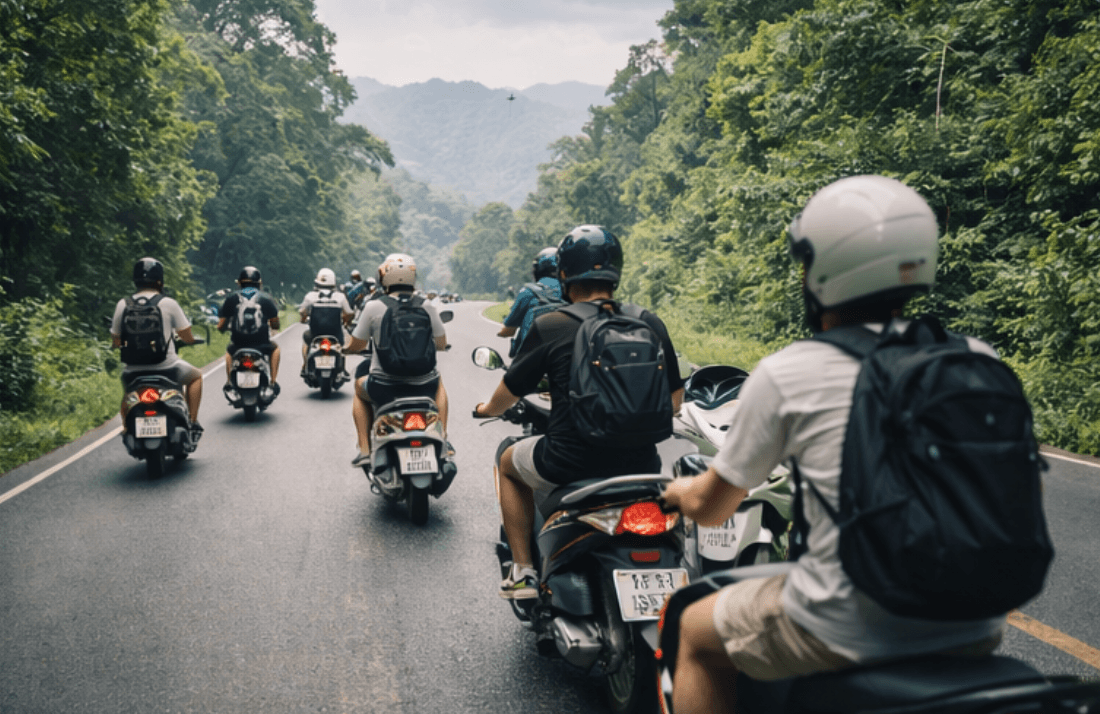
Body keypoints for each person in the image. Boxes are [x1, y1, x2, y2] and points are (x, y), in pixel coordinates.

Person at [658, 176, 1007, 714]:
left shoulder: (791, 371)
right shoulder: (977, 360)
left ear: (824, 269)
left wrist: (681, 493)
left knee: (692, 633)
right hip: (976, 621)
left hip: (847, 622)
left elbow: (713, 506)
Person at [473, 225, 685, 599]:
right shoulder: (648, 321)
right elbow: (675, 402)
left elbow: (509, 392)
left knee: (506, 460)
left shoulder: (552, 324)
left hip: (568, 462)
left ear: (564, 274)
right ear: (616, 271)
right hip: (641, 465)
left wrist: (485, 409)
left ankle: (522, 570)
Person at [344, 253, 450, 467]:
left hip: (384, 387)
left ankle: (364, 450)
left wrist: (346, 349)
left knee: (358, 389)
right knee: (439, 383)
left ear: (384, 277)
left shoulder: (374, 307)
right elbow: (441, 343)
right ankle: (443, 438)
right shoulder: (426, 306)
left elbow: (357, 345)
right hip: (424, 386)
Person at [110, 257, 204, 438]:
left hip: (133, 371)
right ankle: (192, 422)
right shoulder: (168, 303)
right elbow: (186, 336)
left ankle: (127, 428)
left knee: (128, 393)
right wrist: (191, 341)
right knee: (196, 377)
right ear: (160, 280)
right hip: (168, 367)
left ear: (135, 279)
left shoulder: (123, 305)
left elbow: (116, 340)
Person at [216, 266, 282, 395]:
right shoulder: (266, 298)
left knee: (229, 351)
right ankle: (273, 382)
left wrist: (225, 328)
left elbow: (221, 325)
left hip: (238, 345)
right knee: (275, 349)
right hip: (262, 345)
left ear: (240, 282)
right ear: (259, 282)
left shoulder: (231, 298)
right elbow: (275, 324)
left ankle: (229, 382)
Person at [497, 246, 562, 357]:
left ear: (537, 269)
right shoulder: (571, 291)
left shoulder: (528, 291)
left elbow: (508, 330)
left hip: (530, 358)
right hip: (564, 357)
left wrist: (501, 332)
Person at [298, 268, 354, 370]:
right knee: (342, 346)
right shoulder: (340, 297)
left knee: (306, 341)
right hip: (336, 334)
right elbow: (349, 313)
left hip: (315, 334)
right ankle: (342, 368)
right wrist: (347, 321)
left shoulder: (310, 296)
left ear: (317, 282)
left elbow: (302, 311)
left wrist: (303, 318)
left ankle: (305, 364)